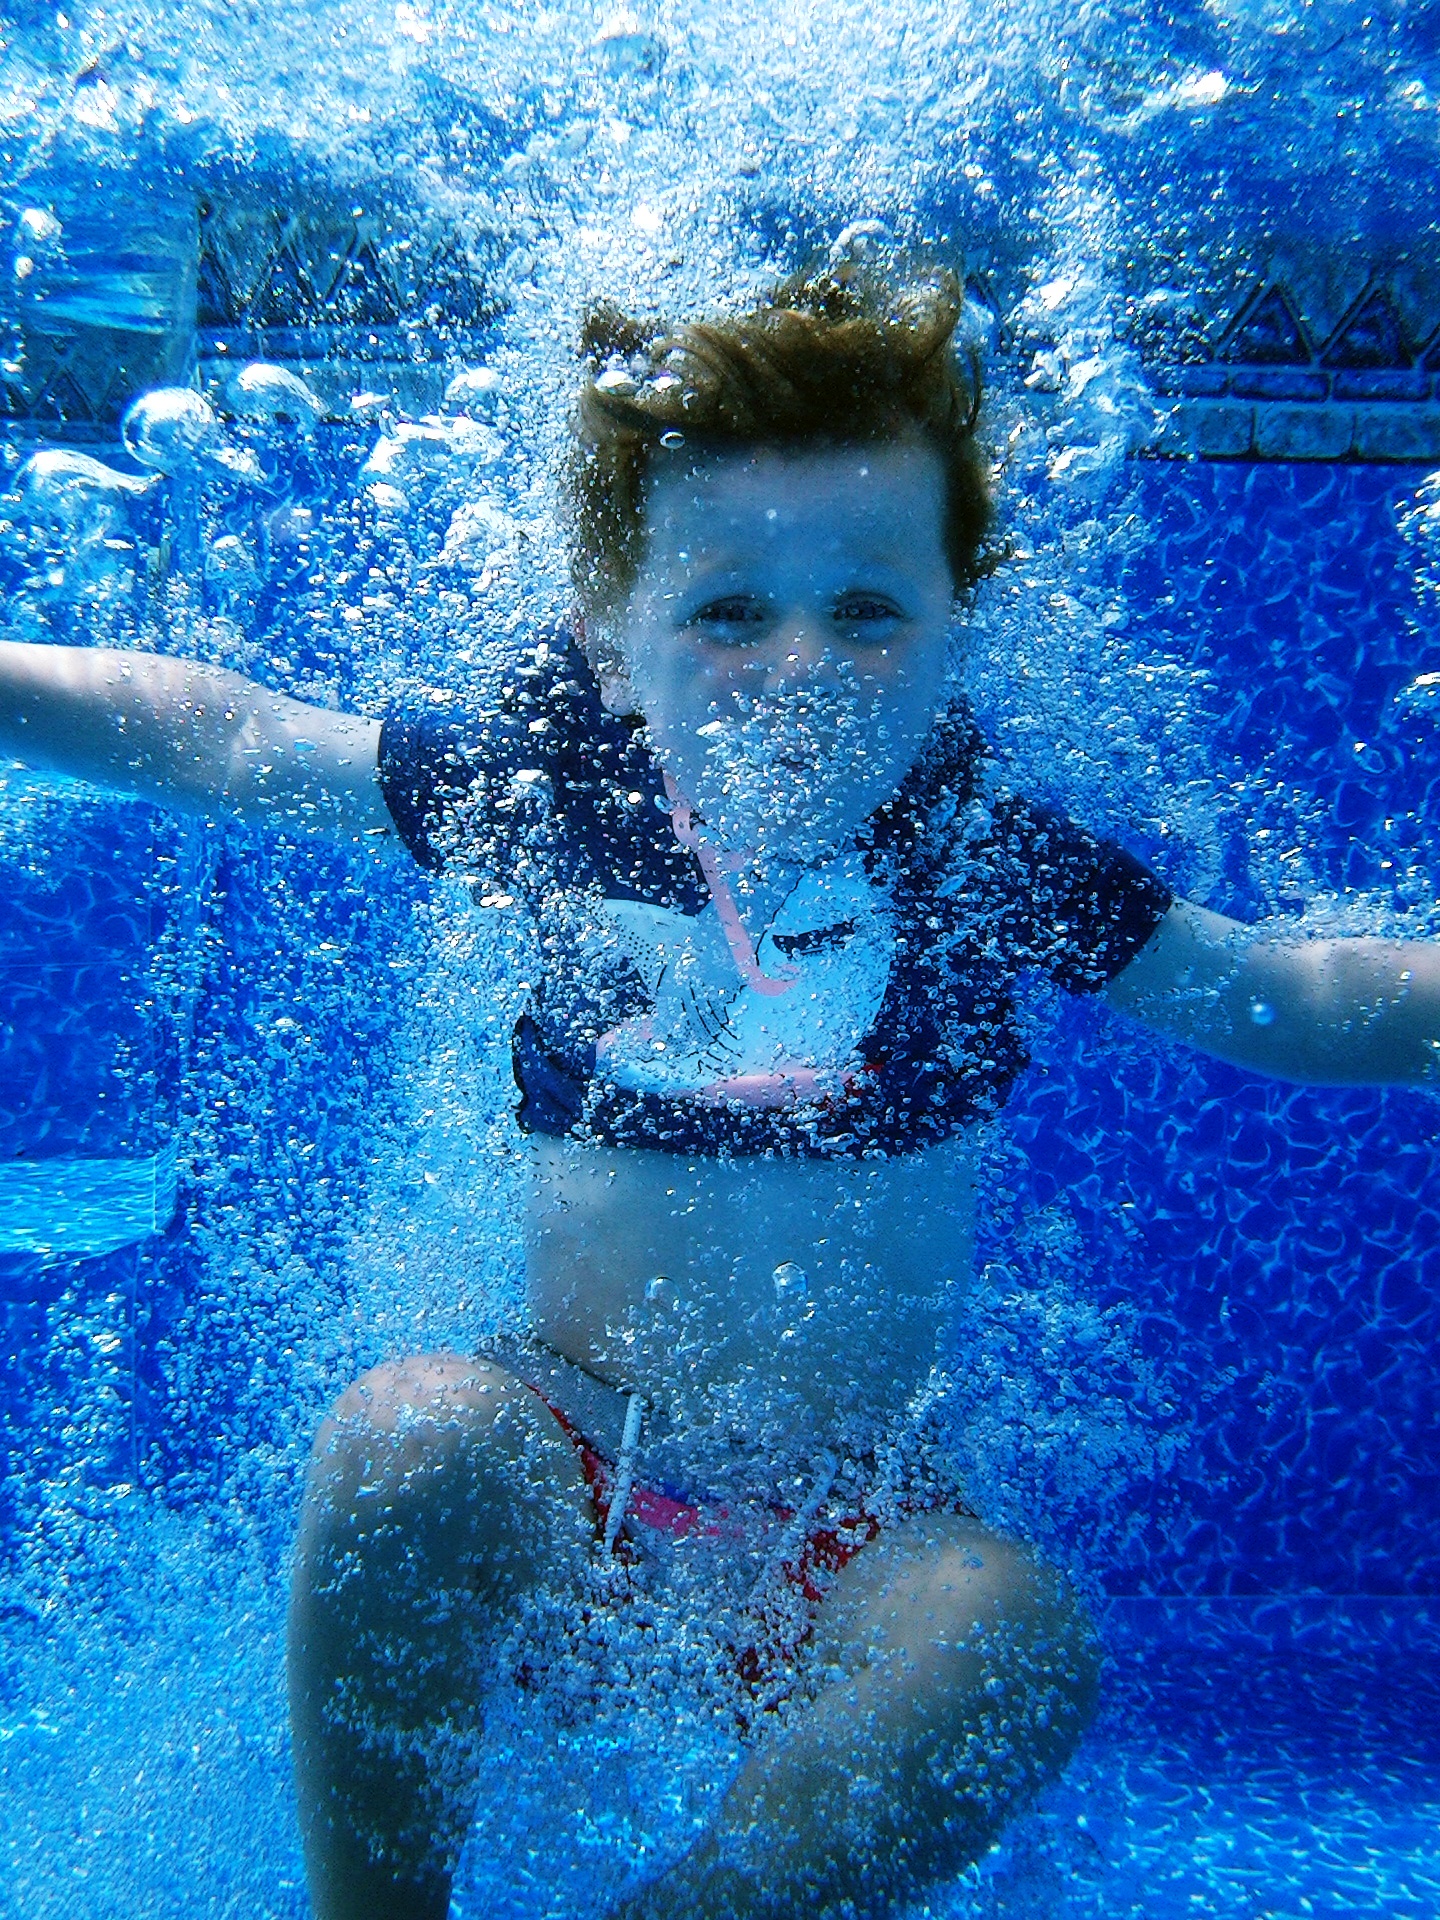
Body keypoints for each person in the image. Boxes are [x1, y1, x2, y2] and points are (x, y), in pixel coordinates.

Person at [2, 264, 1438, 1920]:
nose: (806, 659)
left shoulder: (984, 863)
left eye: (871, 608)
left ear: (953, 631)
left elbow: (1289, 994)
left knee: (1015, 1642)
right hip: (569, 1454)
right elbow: (227, 734)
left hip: (846, 1521)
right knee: (401, 1436)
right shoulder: (539, 797)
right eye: (732, 608)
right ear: (620, 646)